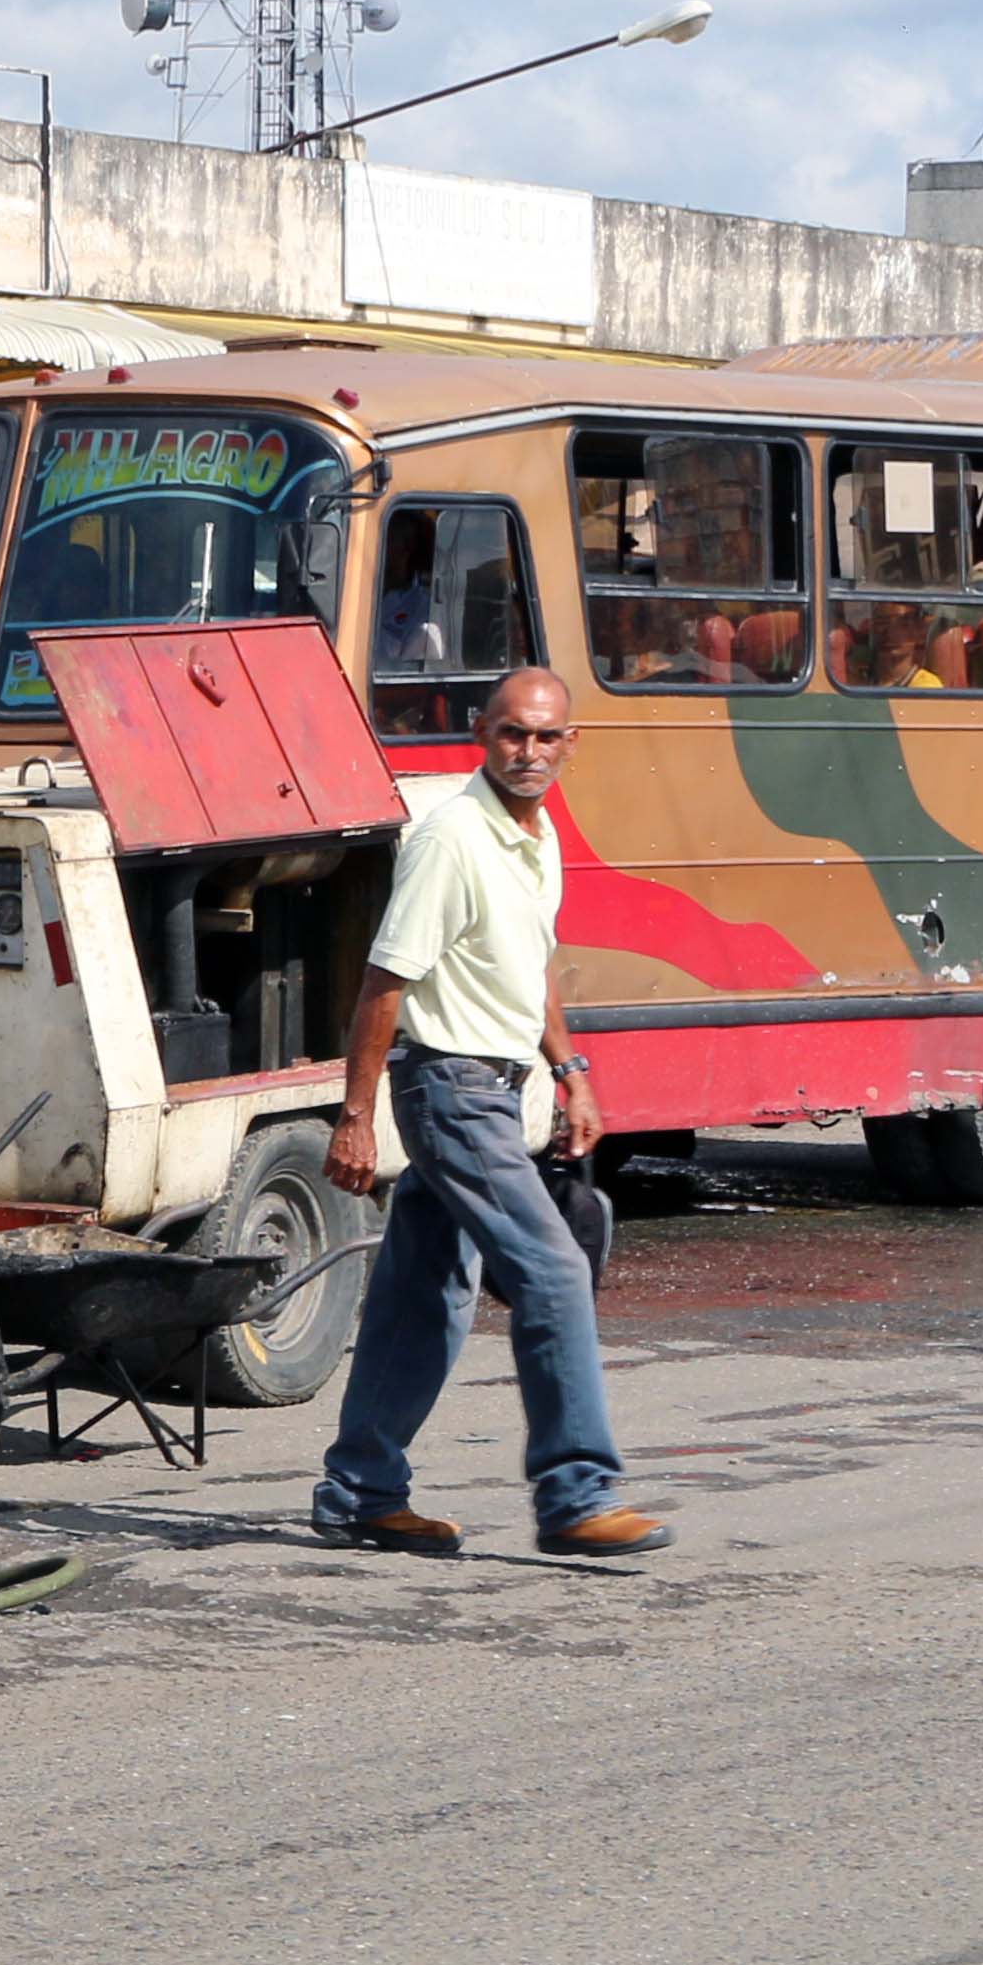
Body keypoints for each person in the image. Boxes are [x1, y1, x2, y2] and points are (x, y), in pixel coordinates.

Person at [308, 666, 673, 1561]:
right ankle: (577, 1494)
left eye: (547, 737)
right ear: (483, 732)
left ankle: (360, 1491)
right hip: (449, 1090)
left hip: (500, 1092)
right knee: (551, 1273)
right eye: (514, 734)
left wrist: (570, 1068)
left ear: (569, 745)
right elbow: (383, 983)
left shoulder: (537, 836)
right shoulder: (452, 838)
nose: (530, 752)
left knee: (420, 1298)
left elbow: (531, 964)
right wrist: (355, 1116)